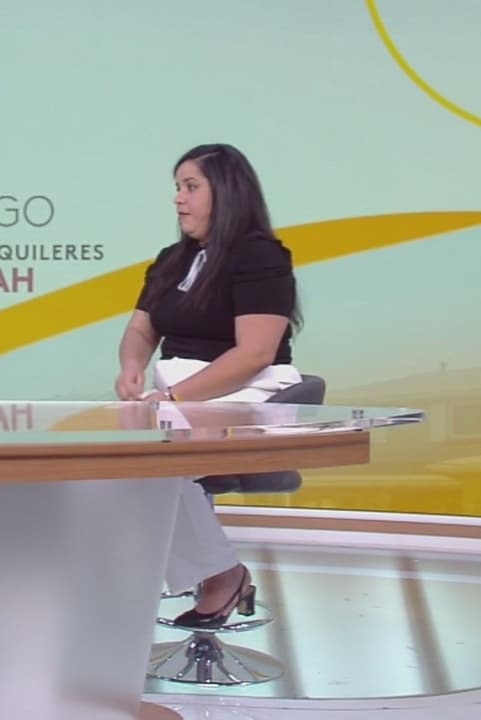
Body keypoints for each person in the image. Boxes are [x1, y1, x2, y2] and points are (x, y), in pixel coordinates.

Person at [114, 142, 303, 629]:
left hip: (246, 394)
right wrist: (133, 367)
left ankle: (222, 576)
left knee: (153, 456)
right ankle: (205, 570)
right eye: (178, 187)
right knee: (119, 454)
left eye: (191, 186)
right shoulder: (171, 260)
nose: (178, 198)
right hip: (178, 399)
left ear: (226, 192)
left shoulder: (261, 256)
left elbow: (255, 353)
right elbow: (140, 330)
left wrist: (175, 398)